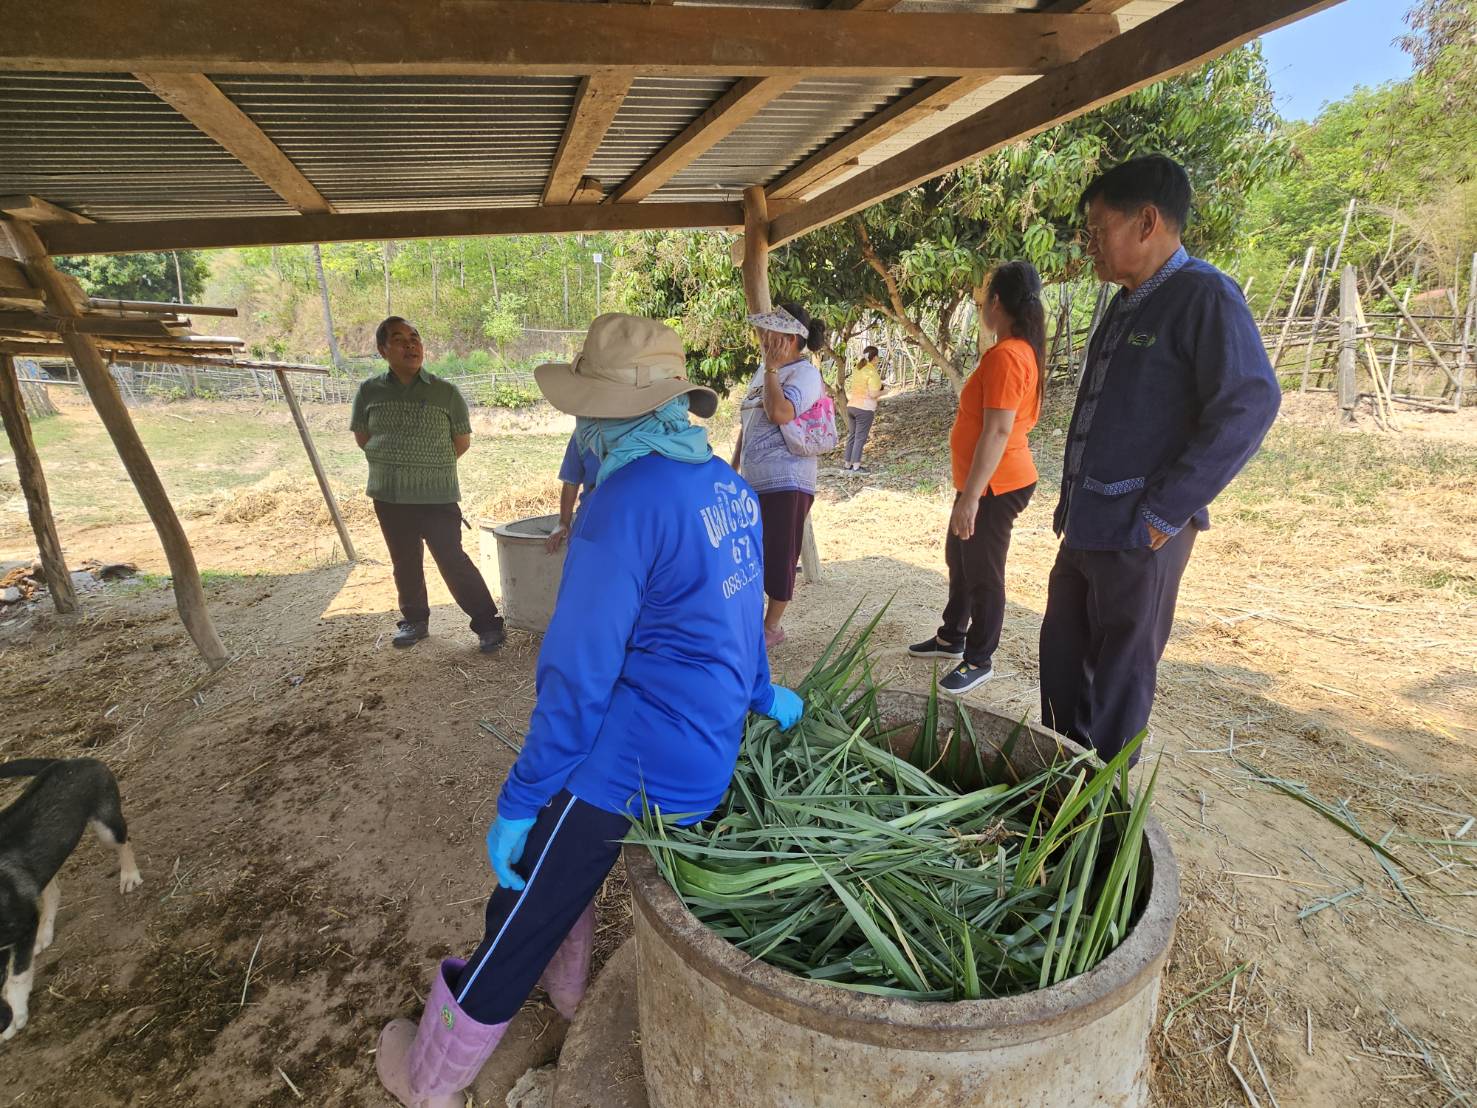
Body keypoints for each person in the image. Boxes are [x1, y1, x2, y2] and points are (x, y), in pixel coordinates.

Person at [374, 313, 804, 1108]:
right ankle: (570, 993)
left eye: (584, 409)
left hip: (630, 759)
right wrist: (758, 694)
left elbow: (576, 679)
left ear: (606, 414)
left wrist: (519, 795)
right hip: (706, 758)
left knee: (522, 896)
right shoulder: (726, 488)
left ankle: (430, 1078)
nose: (578, 424)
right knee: (559, 858)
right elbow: (740, 620)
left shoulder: (620, 506)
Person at [1039, 155, 1279, 762]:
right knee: (1063, 656)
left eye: (1097, 230)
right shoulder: (1125, 302)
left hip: (1139, 533)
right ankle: (1055, 782)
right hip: (1088, 526)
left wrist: (1164, 513)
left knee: (1118, 679)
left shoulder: (1205, 295)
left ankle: (1099, 810)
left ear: (1147, 221)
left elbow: (1250, 404)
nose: (1089, 245)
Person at [909, 263, 1044, 696]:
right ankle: (952, 636)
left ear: (998, 302)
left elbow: (999, 430)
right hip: (983, 482)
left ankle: (979, 658)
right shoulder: (1012, 351)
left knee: (984, 570)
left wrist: (971, 498)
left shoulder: (1009, 355)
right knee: (960, 556)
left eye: (985, 295)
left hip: (996, 485)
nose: (982, 302)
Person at [351, 317, 506, 653]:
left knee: (452, 559)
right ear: (382, 350)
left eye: (415, 337)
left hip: (437, 495)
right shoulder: (368, 391)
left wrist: (426, 469)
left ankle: (487, 623)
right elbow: (363, 437)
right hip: (389, 496)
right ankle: (415, 622)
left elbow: (461, 442)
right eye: (399, 339)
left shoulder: (445, 392)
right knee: (404, 561)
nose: (411, 345)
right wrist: (398, 467)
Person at [731, 302, 828, 648]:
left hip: (787, 481)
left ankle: (771, 627)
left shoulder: (804, 374)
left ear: (790, 338)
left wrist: (772, 370)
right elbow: (749, 421)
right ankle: (752, 621)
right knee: (751, 550)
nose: (764, 337)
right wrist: (734, 466)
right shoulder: (764, 371)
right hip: (755, 479)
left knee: (780, 552)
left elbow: (780, 412)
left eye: (772, 331)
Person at [544, 433, 599, 554]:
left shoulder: (644, 429)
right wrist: (564, 522)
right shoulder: (584, 433)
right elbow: (571, 481)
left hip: (631, 519)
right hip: (591, 520)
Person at [843, 344, 884, 473]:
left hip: (851, 407)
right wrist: (886, 391)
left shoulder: (858, 368)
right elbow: (873, 394)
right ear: (875, 358)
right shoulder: (872, 372)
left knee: (852, 436)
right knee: (860, 438)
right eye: (878, 356)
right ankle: (856, 466)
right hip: (864, 409)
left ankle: (847, 464)